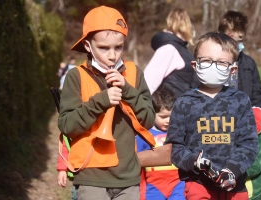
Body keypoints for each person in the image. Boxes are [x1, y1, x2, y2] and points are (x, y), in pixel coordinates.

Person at [58, 5, 156, 200]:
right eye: (103, 48)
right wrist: (101, 101)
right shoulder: (76, 76)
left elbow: (149, 120)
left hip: (127, 177)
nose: (112, 55)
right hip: (90, 176)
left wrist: (128, 90)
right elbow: (67, 125)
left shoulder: (134, 72)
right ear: (87, 46)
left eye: (118, 47)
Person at [165, 32, 258, 200]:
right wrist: (195, 162)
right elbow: (175, 148)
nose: (213, 66)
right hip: (198, 184)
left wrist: (231, 170)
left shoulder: (240, 101)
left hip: (235, 186)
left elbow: (249, 145)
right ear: (195, 65)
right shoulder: (184, 103)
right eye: (206, 60)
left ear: (233, 69)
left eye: (222, 62)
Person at [218, 10, 261, 153]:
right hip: (216, 129)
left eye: (239, 41)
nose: (235, 45)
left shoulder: (249, 64)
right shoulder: (209, 63)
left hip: (243, 130)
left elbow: (258, 100)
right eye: (230, 40)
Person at [136, 85, 185, 200]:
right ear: (153, 114)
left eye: (171, 116)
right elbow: (137, 159)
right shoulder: (145, 135)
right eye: (163, 117)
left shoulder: (180, 132)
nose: (168, 121)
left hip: (177, 182)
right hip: (153, 185)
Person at [144, 8, 199, 97]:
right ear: (186, 24)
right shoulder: (169, 49)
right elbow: (148, 81)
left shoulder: (181, 49)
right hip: (168, 108)